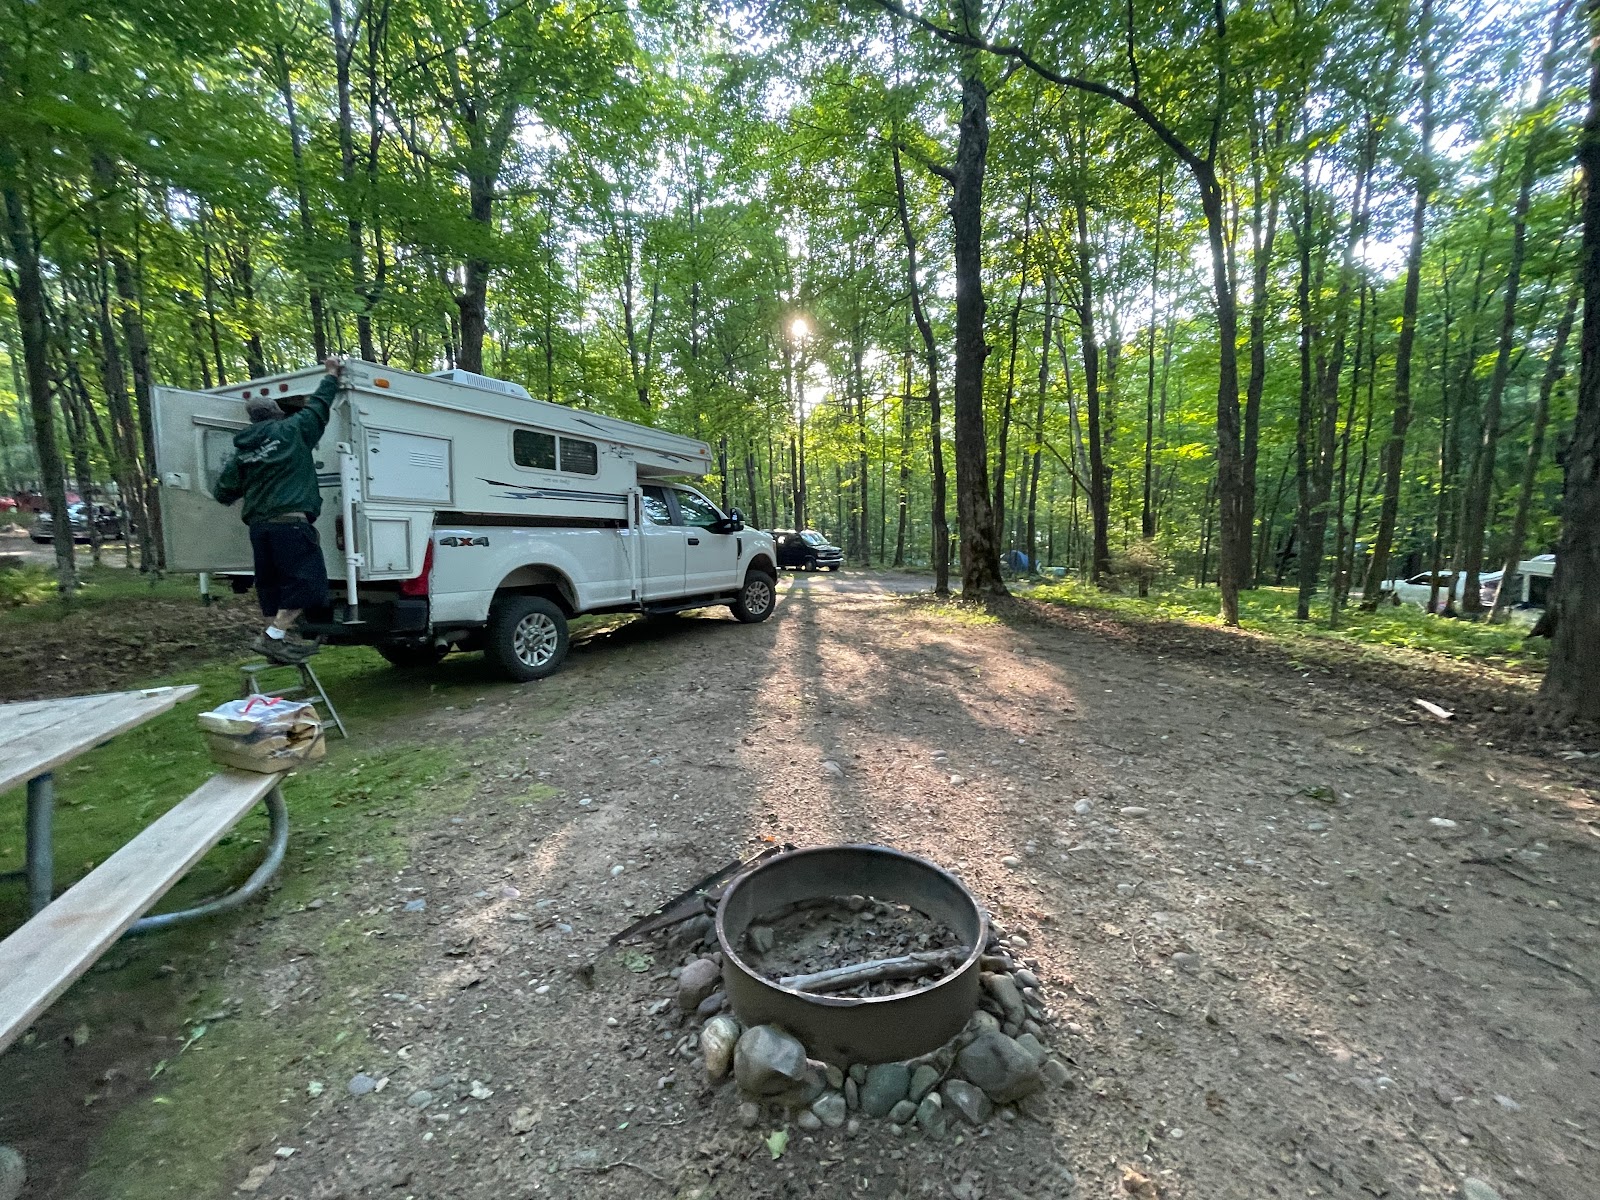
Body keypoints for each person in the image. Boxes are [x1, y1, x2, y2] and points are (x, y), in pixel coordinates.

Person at [214, 357, 342, 663]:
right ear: (278, 414)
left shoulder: (241, 453)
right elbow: (319, 407)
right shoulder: (293, 430)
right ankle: (272, 638)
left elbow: (222, 493)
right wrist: (331, 375)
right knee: (309, 587)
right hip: (291, 525)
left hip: (261, 529)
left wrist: (252, 484)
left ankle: (276, 644)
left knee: (271, 587)